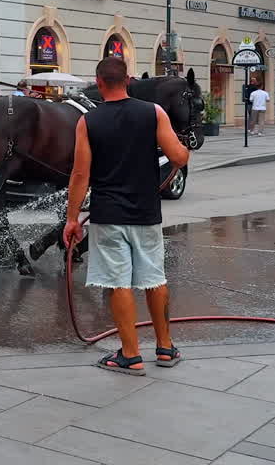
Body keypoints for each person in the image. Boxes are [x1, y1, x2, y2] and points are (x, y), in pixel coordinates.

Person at [63, 57, 190, 375]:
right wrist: (183, 148)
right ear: (129, 80)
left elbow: (80, 174)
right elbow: (178, 156)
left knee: (119, 283)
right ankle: (164, 349)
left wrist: (72, 219)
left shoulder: (88, 122)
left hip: (108, 214)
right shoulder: (154, 113)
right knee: (154, 278)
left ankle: (130, 355)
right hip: (146, 212)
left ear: (100, 83)